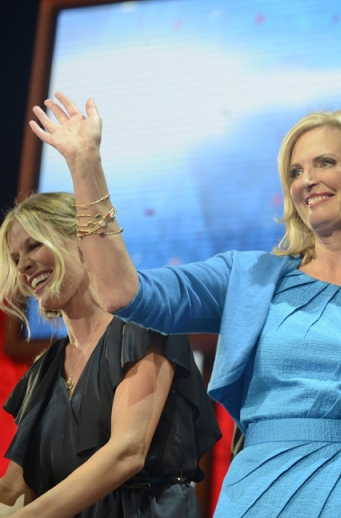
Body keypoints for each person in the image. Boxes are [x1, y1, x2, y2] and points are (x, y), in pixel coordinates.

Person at [29, 94, 341, 517]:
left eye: (326, 162)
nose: (307, 180)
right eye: (295, 171)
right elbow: (121, 292)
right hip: (260, 494)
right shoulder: (247, 278)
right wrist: (85, 164)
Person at [0, 192, 221, 517]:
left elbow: (127, 452)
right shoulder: (42, 372)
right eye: (16, 258)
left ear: (81, 241)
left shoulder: (142, 327)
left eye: (34, 245)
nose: (24, 266)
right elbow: (15, 485)